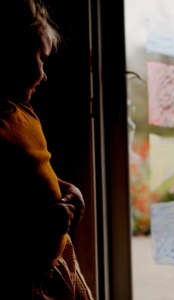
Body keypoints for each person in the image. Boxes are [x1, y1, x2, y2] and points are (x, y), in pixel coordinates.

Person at [0, 1, 93, 299]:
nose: (44, 73)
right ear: (10, 55)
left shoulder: (23, 112)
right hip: (25, 275)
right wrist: (38, 227)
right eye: (40, 58)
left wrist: (64, 189)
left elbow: (32, 169)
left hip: (59, 258)